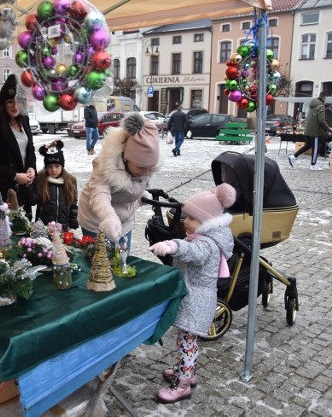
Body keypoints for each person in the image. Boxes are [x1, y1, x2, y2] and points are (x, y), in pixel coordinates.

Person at [149, 183, 236, 404]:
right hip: (194, 298)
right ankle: (186, 370)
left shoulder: (206, 244)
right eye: (186, 216)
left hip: (196, 302)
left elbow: (193, 253)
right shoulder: (204, 237)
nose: (186, 221)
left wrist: (173, 246)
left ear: (207, 222)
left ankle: (183, 384)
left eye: (192, 218)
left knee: (186, 343)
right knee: (188, 341)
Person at [77, 113, 159, 251]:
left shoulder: (144, 167)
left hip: (124, 221)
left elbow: (133, 184)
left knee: (122, 261)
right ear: (126, 158)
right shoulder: (105, 166)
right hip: (96, 221)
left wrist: (139, 196)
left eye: (149, 168)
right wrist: (108, 216)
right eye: (141, 167)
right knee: (98, 264)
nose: (145, 173)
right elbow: (99, 194)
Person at [0, 74, 37, 220]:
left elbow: (30, 151)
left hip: (23, 190)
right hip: (2, 191)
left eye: (18, 102)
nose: (15, 106)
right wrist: (15, 176)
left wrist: (31, 168)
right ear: (4, 103)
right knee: (3, 234)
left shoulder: (25, 120)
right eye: (10, 102)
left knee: (24, 231)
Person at [34, 140, 79, 231]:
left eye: (57, 166)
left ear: (62, 166)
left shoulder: (70, 181)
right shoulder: (41, 180)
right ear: (46, 167)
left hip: (63, 227)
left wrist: (73, 224)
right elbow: (34, 200)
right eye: (50, 166)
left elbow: (73, 204)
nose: (53, 170)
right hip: (45, 228)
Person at [288, 92, 332, 171]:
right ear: (324, 97)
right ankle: (313, 164)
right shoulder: (321, 106)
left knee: (308, 146)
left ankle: (293, 157)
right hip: (315, 132)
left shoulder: (313, 105)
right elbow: (321, 120)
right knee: (316, 148)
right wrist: (329, 129)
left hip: (308, 130)